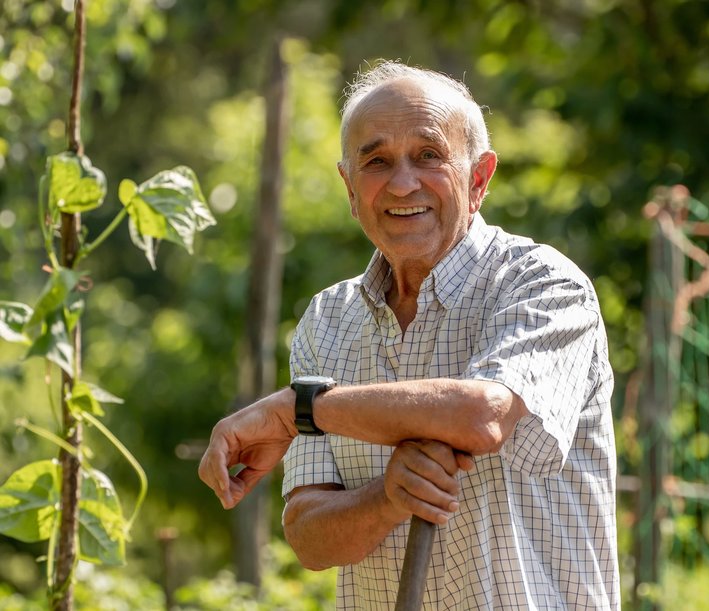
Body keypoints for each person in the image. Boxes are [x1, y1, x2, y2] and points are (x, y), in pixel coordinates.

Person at [199, 60, 619, 610]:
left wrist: (296, 409)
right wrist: (387, 497)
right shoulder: (328, 320)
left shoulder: (541, 283)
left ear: (478, 178)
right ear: (350, 188)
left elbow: (483, 414)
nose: (402, 183)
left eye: (428, 155)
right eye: (376, 161)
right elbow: (308, 536)